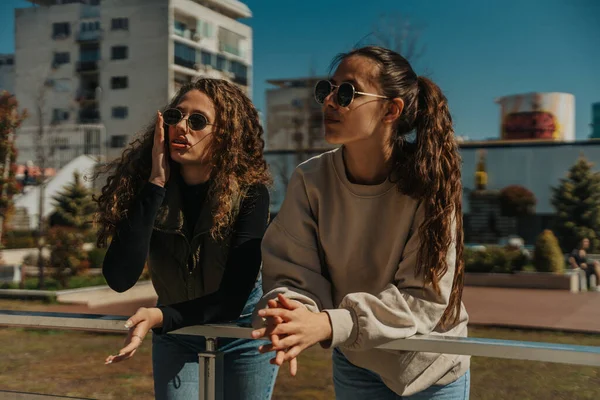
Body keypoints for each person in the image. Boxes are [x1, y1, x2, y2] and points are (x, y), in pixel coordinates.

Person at [251, 46, 470, 399]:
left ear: (391, 109)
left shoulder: (430, 183)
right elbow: (293, 269)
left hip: (430, 369)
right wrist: (291, 310)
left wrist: (327, 323)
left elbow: (422, 298)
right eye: (327, 90)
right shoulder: (311, 179)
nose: (330, 102)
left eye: (347, 92)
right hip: (357, 362)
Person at [95, 78, 278, 400]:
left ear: (225, 135)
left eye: (197, 121)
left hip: (243, 330)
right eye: (174, 116)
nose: (182, 127)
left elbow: (233, 296)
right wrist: (155, 183)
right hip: (176, 333)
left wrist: (159, 316)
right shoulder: (148, 190)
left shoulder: (250, 193)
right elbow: (119, 279)